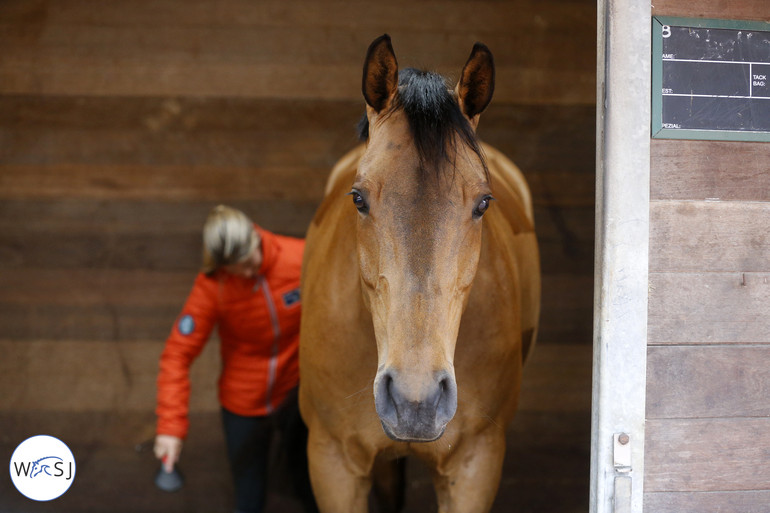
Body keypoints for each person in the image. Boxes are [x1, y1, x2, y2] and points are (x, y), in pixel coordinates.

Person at [154, 205, 317, 513]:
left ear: (256, 238)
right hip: (243, 402)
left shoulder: (300, 257)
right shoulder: (213, 287)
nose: (245, 273)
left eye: (248, 262)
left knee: (310, 480)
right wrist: (170, 427)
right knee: (248, 491)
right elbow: (177, 354)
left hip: (297, 393)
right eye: (234, 269)